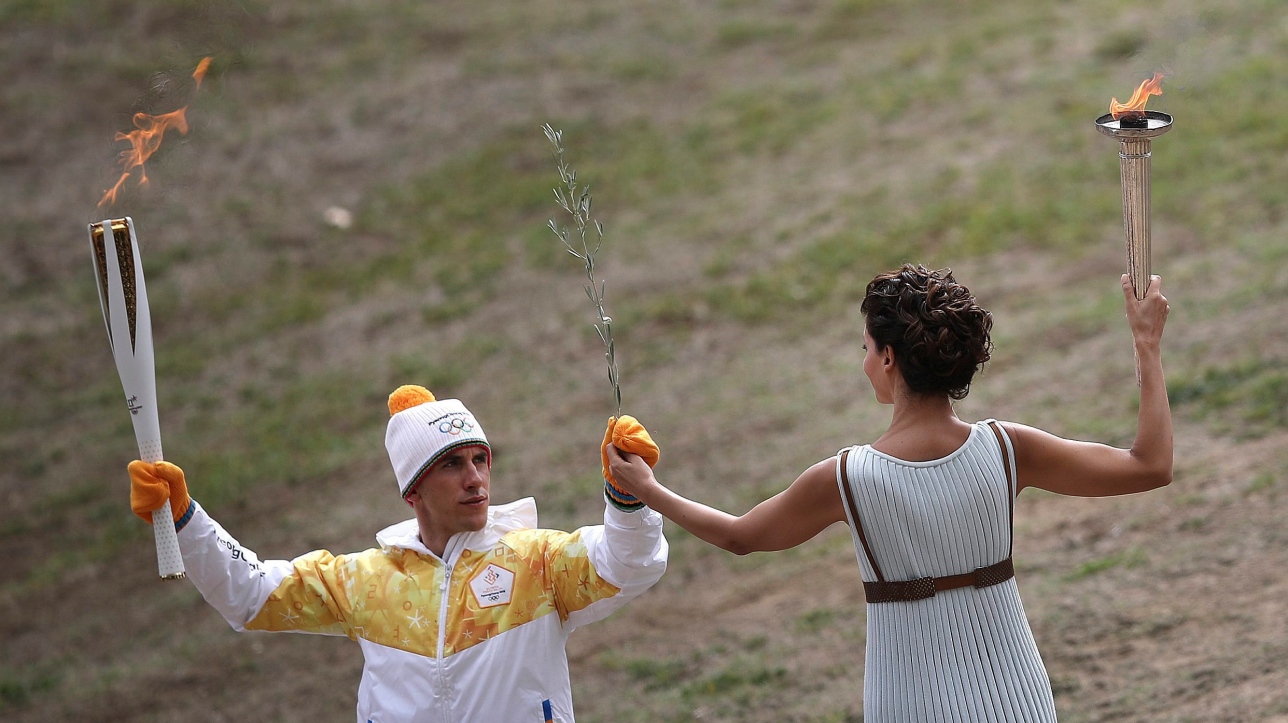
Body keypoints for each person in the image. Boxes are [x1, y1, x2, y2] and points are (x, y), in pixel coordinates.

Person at [605, 265, 1172, 722]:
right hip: (1017, 699)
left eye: (865, 348)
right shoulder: (1007, 449)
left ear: (889, 358)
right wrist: (1146, 346)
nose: (864, 363)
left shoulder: (847, 479)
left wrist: (650, 491)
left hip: (910, 702)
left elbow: (739, 536)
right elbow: (1150, 465)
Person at [128, 384, 668, 723]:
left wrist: (627, 498)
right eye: (452, 465)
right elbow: (250, 596)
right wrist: (185, 518)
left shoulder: (537, 563)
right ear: (413, 490)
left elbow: (630, 564)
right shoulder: (365, 581)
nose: (476, 478)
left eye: (481, 460)